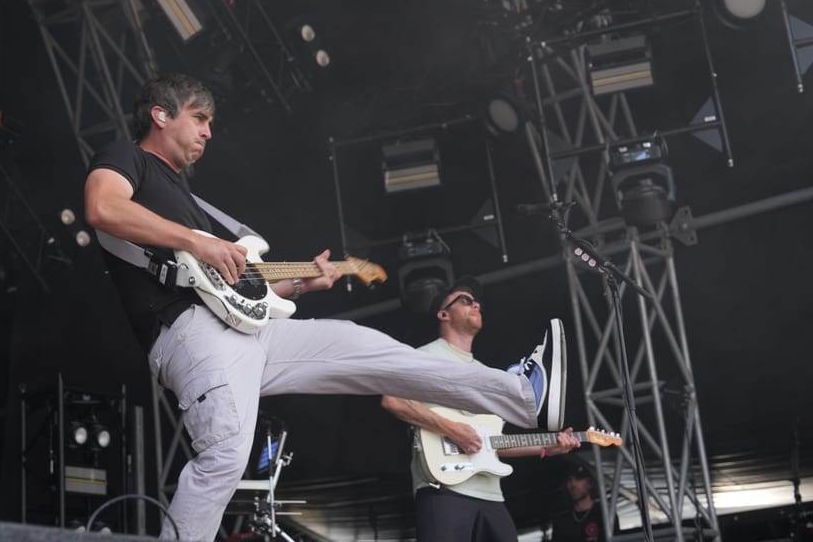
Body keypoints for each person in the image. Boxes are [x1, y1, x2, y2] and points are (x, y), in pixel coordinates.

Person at [83, 73, 567, 542]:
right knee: (226, 455)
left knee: (368, 348)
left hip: (245, 332)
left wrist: (302, 285)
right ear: (160, 115)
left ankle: (521, 396)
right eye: (199, 117)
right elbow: (102, 207)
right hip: (190, 332)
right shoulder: (127, 157)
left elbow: (238, 288)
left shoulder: (192, 202)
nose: (209, 131)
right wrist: (197, 242)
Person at [381, 276, 580, 542]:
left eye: (477, 302)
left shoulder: (487, 375)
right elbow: (391, 399)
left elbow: (492, 443)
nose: (476, 305)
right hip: (443, 488)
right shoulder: (424, 356)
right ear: (443, 314)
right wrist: (453, 429)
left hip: (490, 496)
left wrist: (546, 447)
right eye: (465, 300)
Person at [551, 463, 617, 542]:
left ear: (590, 483)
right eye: (569, 480)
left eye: (578, 479)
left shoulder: (604, 514)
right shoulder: (561, 521)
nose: (573, 484)